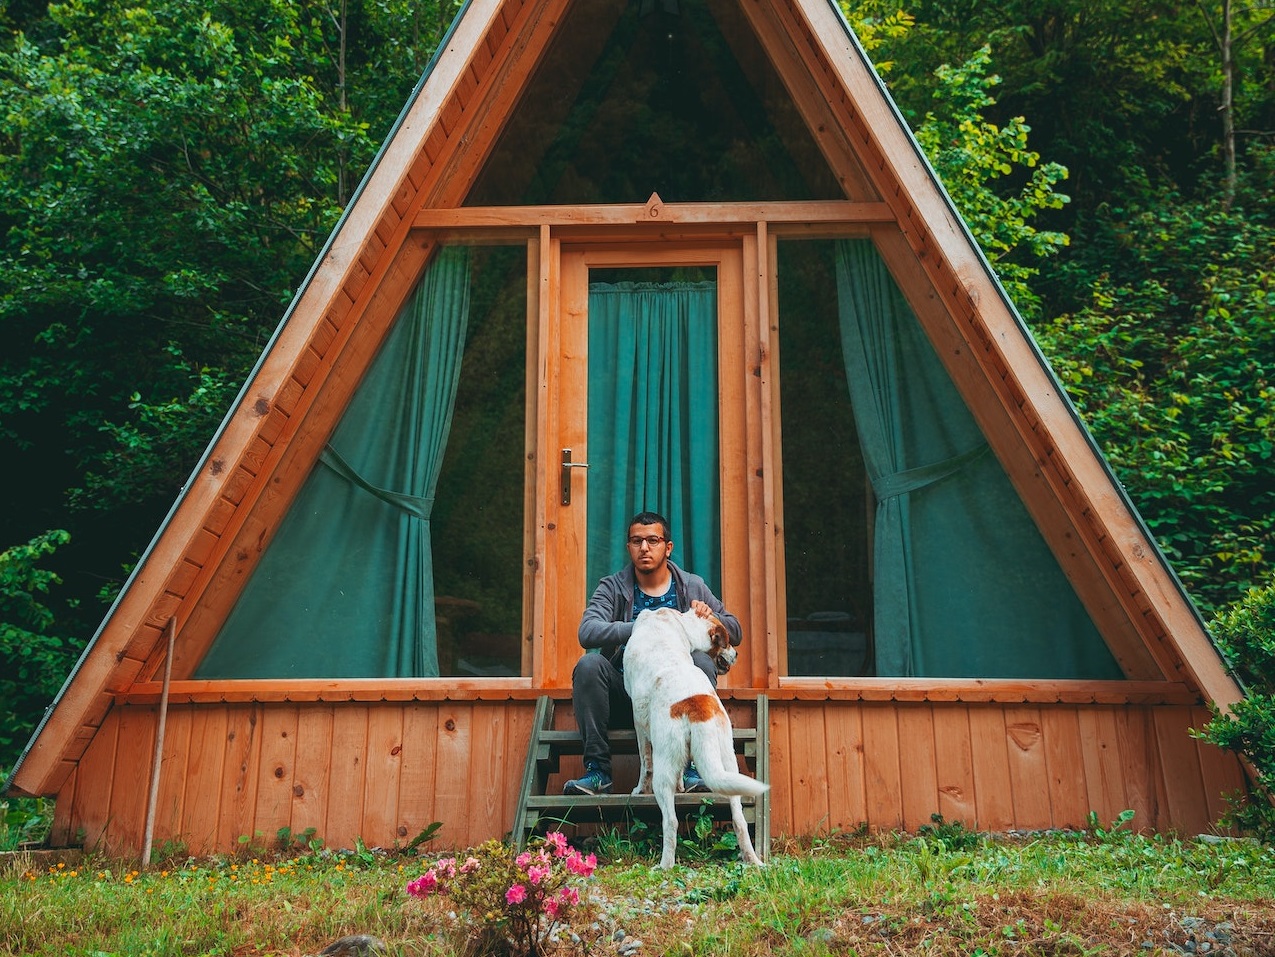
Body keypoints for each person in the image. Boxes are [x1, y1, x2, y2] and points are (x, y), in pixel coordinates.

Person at [563, 510, 743, 795]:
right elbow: (588, 632)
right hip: (629, 700)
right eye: (636, 541)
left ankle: (694, 769)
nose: (644, 548)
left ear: (668, 547)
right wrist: (643, 626)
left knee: (700, 662)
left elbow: (734, 629)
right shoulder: (613, 587)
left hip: (676, 710)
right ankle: (598, 773)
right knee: (589, 665)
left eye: (653, 540)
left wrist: (710, 618)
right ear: (629, 547)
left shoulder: (692, 586)